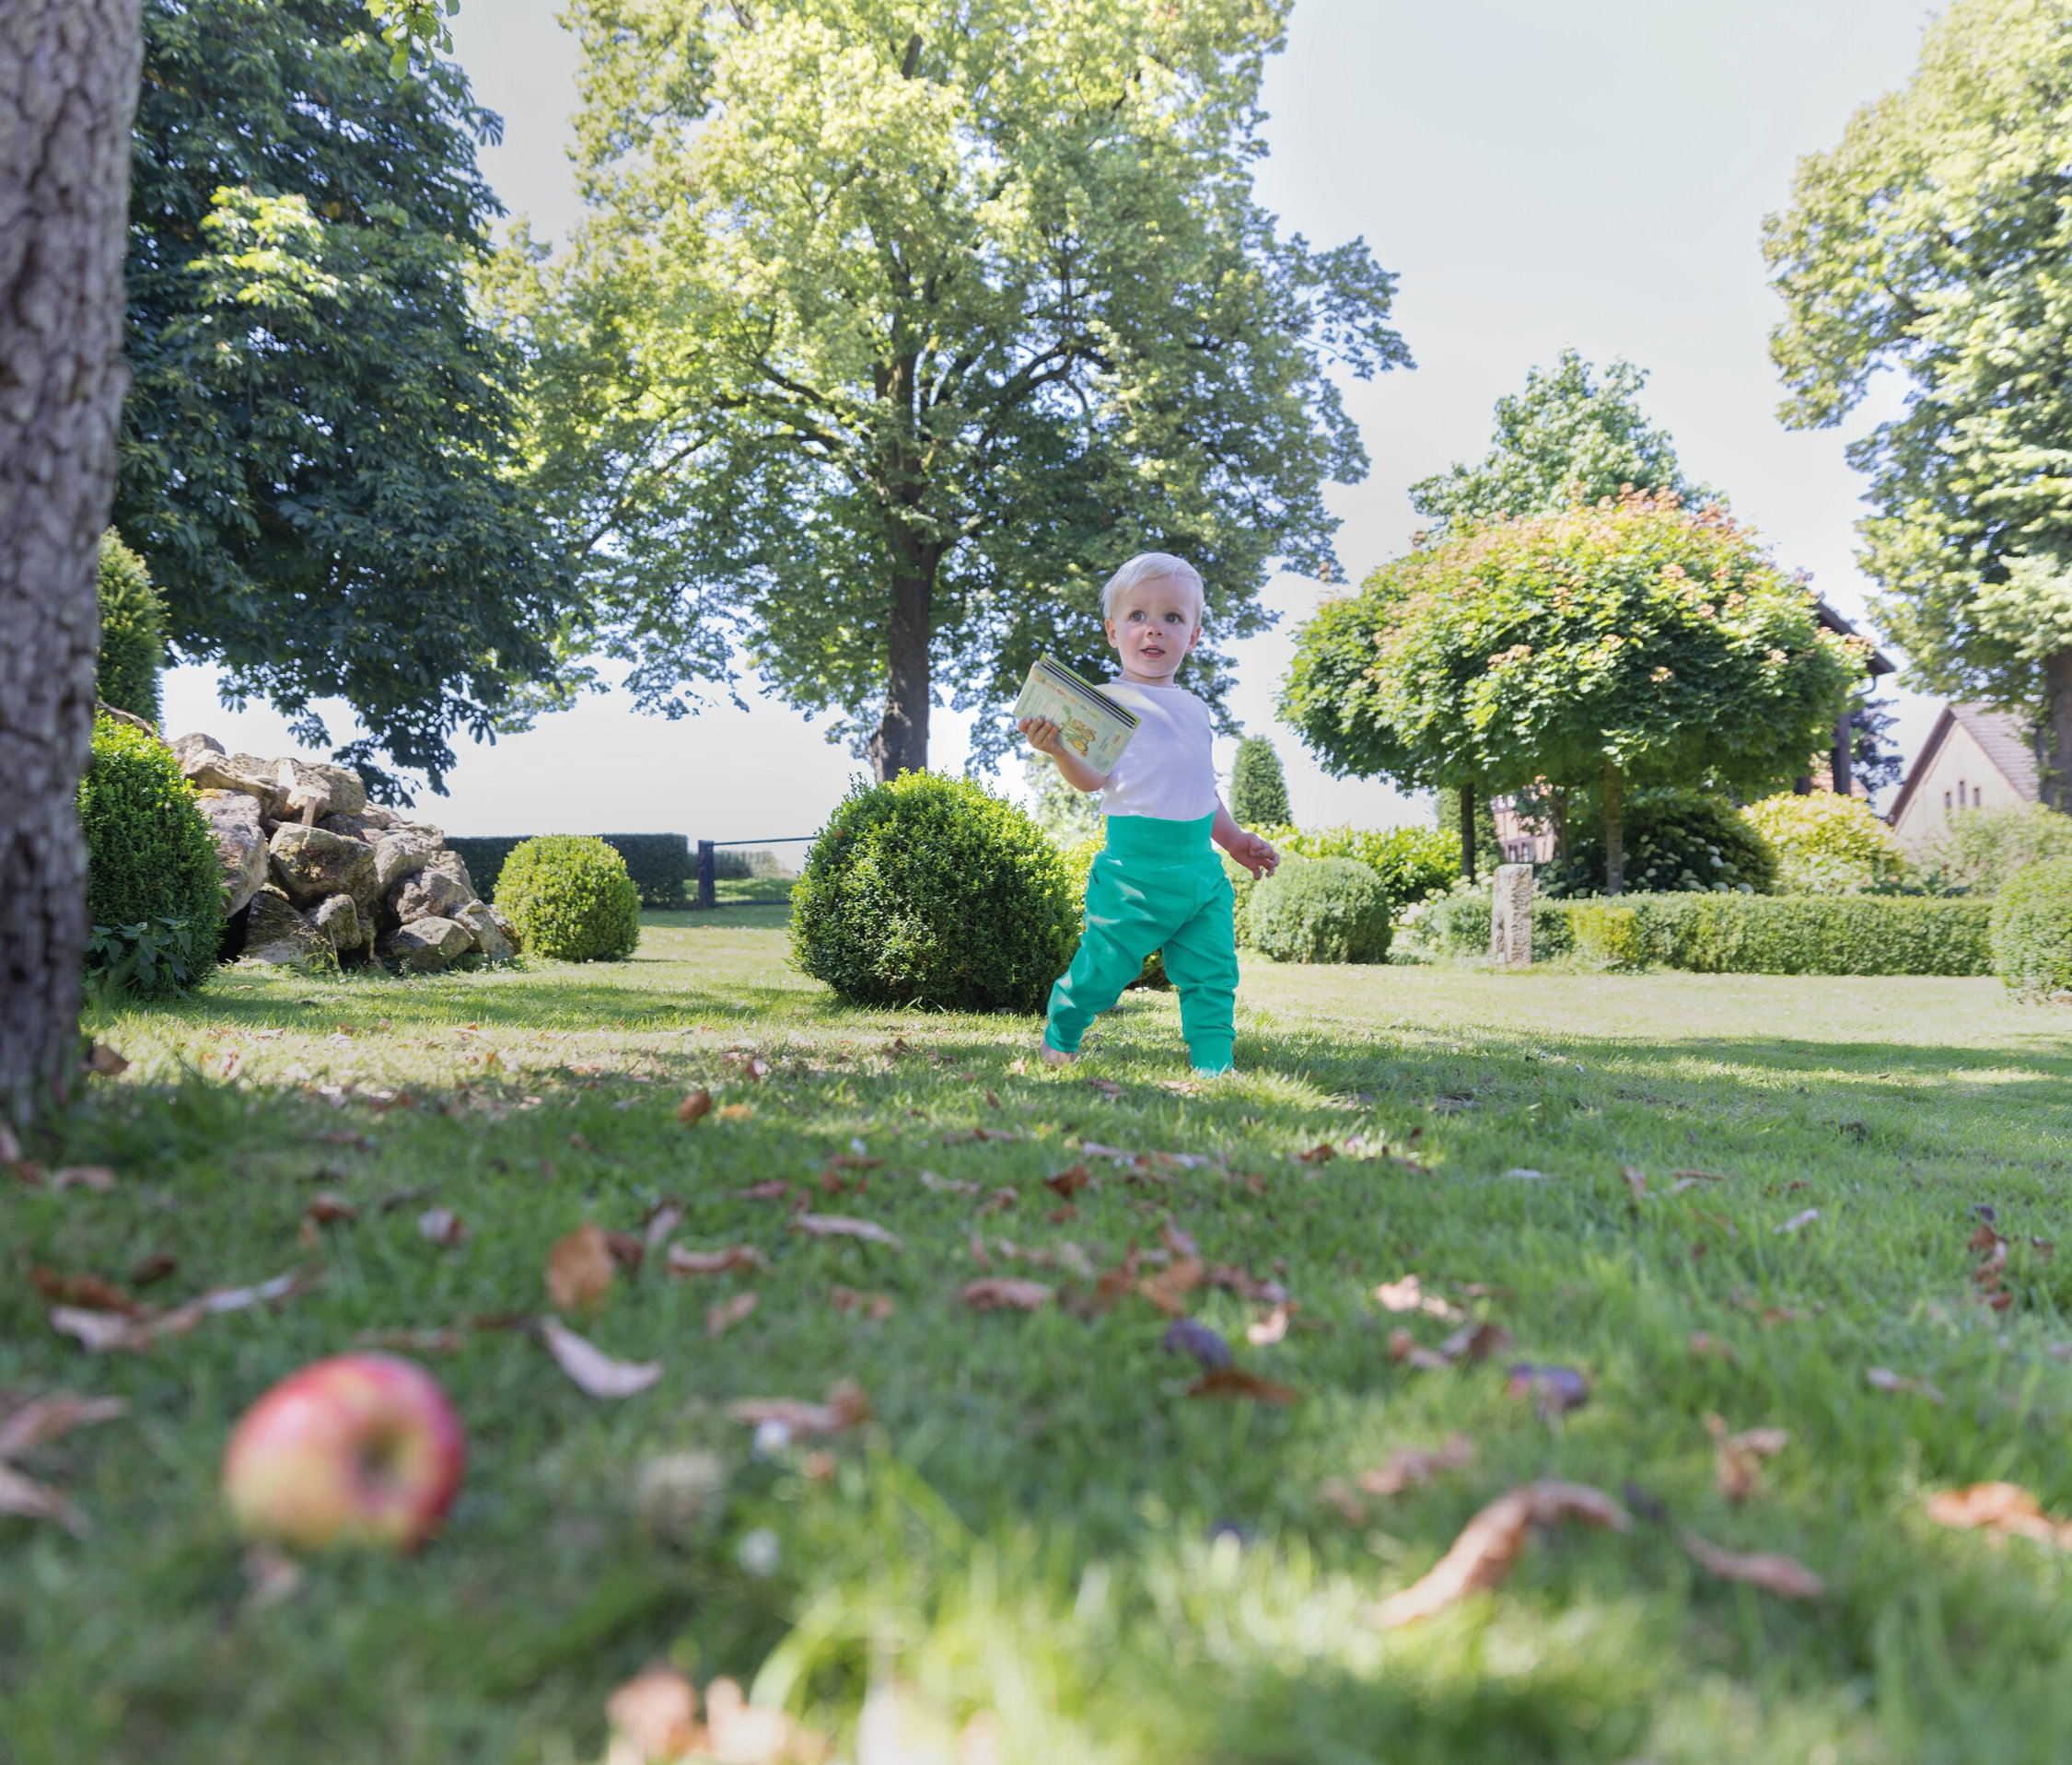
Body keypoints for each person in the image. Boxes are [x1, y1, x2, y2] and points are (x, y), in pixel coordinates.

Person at [1019, 552, 1278, 1075]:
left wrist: (1233, 840)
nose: (1153, 630)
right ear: (1113, 631)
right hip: (1132, 873)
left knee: (1213, 973)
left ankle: (1214, 1064)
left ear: (1194, 635)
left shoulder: (1197, 708)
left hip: (1200, 873)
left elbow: (1201, 790)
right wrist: (1062, 751)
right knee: (1104, 968)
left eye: (1172, 618)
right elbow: (1093, 781)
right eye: (1138, 616)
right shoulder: (1103, 702)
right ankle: (1061, 1035)